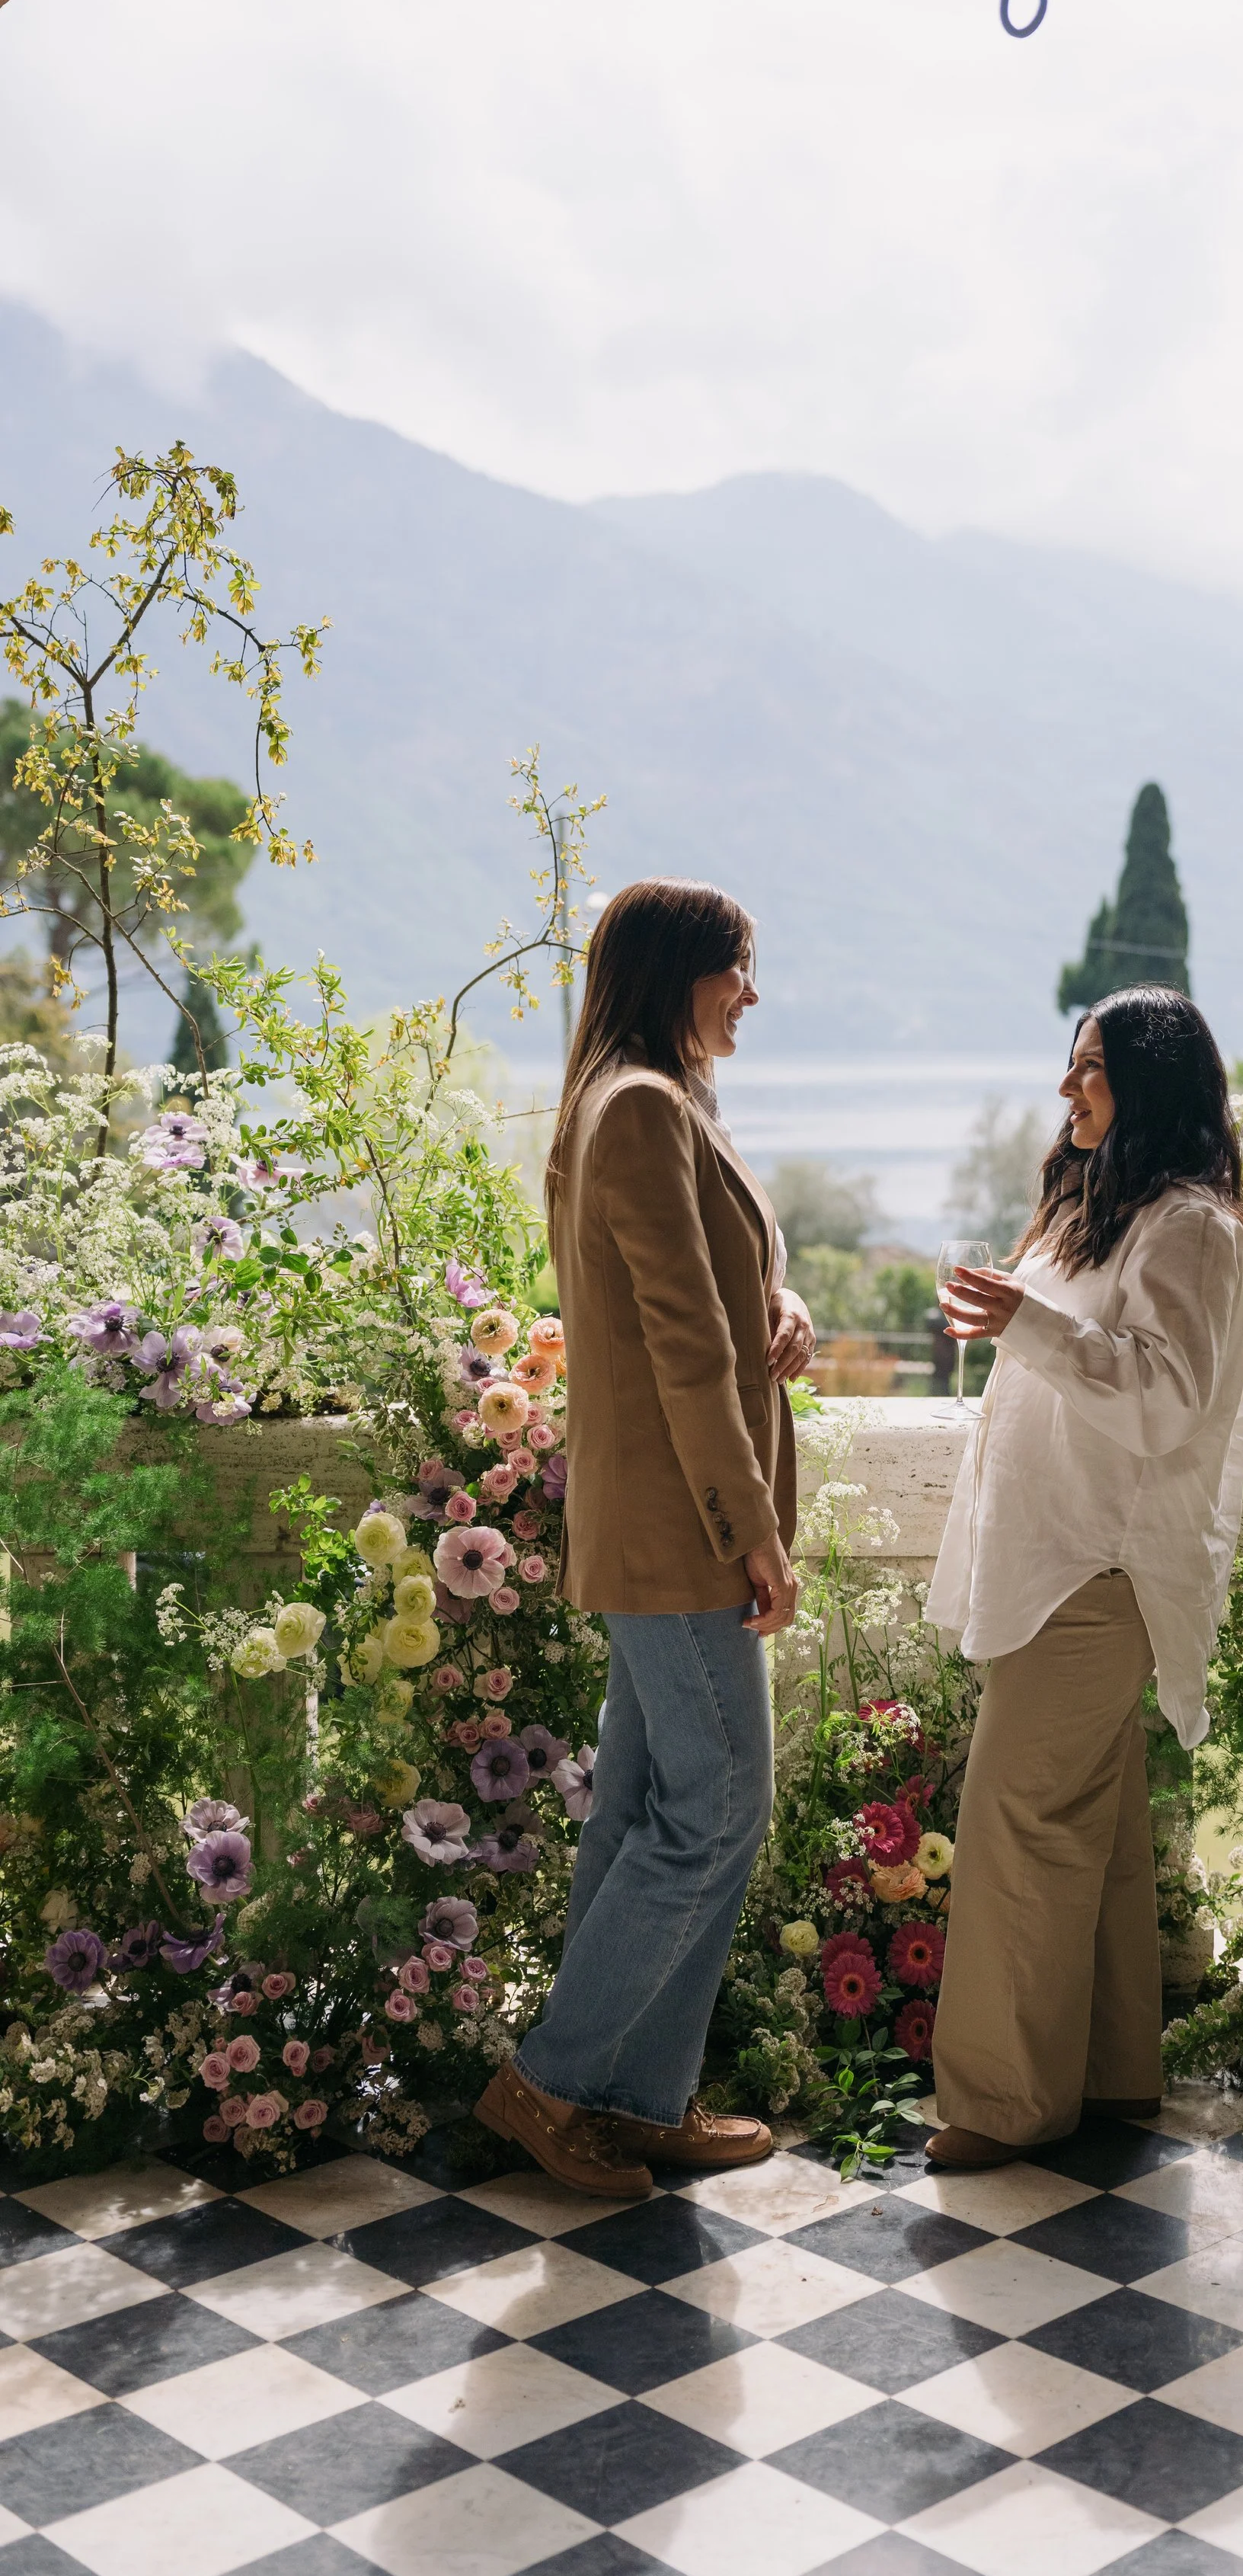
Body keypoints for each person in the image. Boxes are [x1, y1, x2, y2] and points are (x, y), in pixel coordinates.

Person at [477, 880, 813, 2198]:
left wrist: (778, 1304)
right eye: (738, 967)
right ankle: (557, 2084)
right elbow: (679, 1350)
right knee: (722, 1809)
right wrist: (754, 1531)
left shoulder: (645, 1103)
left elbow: (710, 1297)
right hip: (685, 1533)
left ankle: (635, 2098)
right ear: (682, 970)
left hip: (664, 1528)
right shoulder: (639, 1111)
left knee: (642, 1811)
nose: (750, 994)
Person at [922, 986, 1243, 2169]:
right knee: (1097, 1822)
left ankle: (1003, 2101)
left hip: (1100, 1565)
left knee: (1018, 1816)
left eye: (1094, 1069)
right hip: (1054, 1555)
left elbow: (1165, 1397)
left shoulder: (1193, 1230)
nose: (1069, 1088)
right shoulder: (1096, 1208)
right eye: (1070, 1066)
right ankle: (1112, 2071)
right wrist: (1014, 1310)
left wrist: (1026, 1321)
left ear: (1152, 1084)